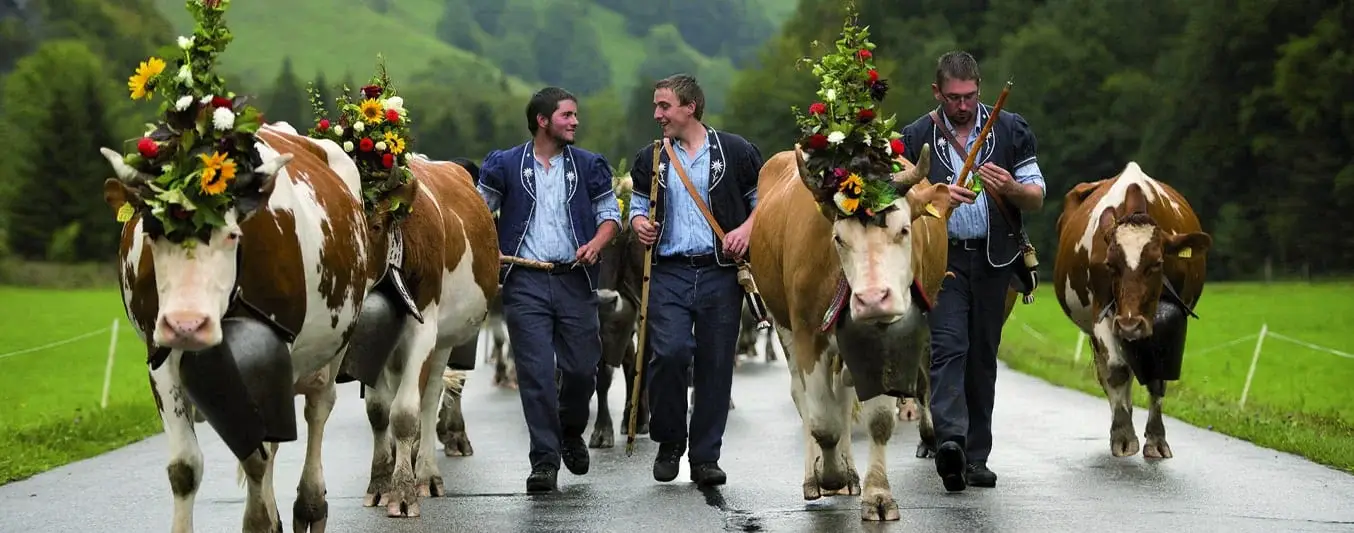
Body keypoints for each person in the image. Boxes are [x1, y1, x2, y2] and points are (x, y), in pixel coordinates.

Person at [898, 51, 1046, 492]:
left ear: (980, 88)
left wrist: (1012, 188)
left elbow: (1036, 196)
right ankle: (951, 444)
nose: (962, 106)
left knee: (982, 354)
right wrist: (934, 195)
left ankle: (977, 457)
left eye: (970, 96)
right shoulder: (915, 135)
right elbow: (898, 199)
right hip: (943, 261)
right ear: (936, 92)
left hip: (995, 257)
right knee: (948, 347)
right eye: (953, 98)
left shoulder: (1011, 128)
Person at [476, 86, 621, 493]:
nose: (575, 121)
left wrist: (597, 243)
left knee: (581, 371)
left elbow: (610, 216)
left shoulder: (589, 165)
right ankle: (544, 461)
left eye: (575, 115)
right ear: (543, 121)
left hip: (576, 279)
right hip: (524, 282)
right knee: (536, 374)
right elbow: (477, 211)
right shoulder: (505, 164)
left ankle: (570, 431)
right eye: (567, 115)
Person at [628, 73, 764, 486]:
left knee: (716, 364)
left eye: (664, 106)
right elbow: (636, 203)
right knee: (667, 353)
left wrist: (747, 230)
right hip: (667, 269)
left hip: (719, 272)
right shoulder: (650, 157)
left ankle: (706, 456)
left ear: (690, 107)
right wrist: (638, 223)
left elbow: (763, 202)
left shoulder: (736, 151)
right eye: (656, 106)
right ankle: (670, 440)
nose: (657, 114)